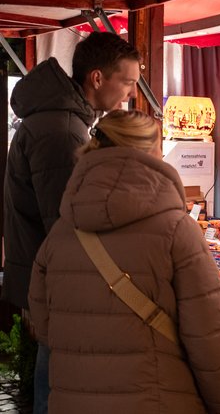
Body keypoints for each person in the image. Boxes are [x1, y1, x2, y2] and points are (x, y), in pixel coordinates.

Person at [28, 110, 220, 413]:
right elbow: (209, 334)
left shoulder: (61, 232)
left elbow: (44, 323)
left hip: (73, 400)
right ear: (152, 153)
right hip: (156, 399)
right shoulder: (177, 229)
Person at [3, 31, 141, 412]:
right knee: (58, 389)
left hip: (44, 277)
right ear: (97, 78)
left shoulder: (61, 120)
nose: (131, 93)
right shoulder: (63, 131)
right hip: (55, 284)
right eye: (127, 81)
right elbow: (67, 225)